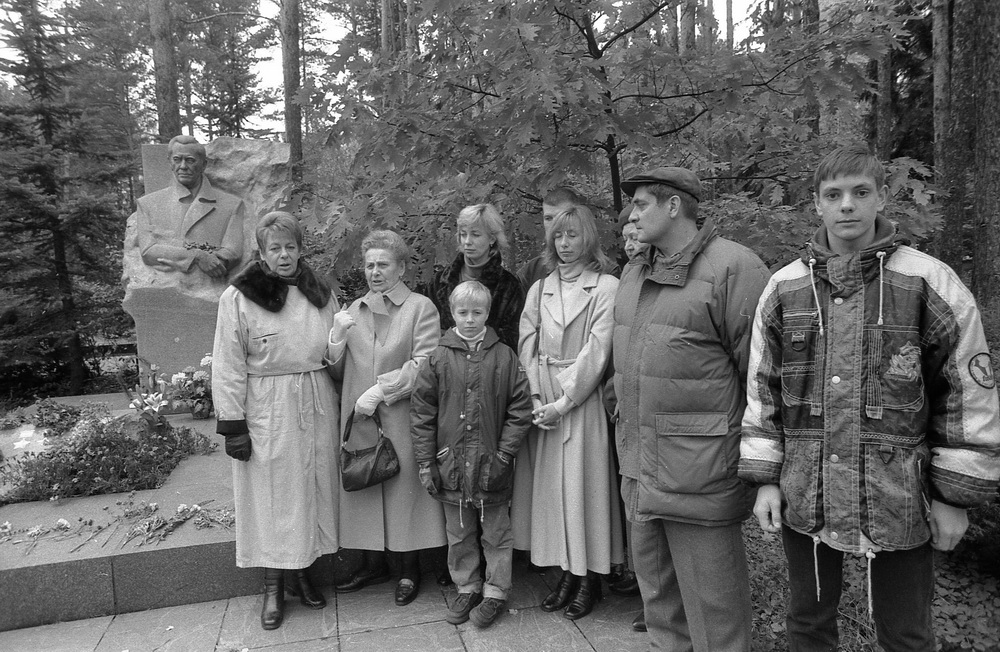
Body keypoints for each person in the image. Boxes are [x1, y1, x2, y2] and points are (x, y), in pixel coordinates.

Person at [739, 144, 1000, 652]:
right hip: (805, 487)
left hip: (900, 494)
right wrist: (764, 480)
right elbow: (762, 390)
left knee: (906, 634)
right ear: (815, 203)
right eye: (833, 195)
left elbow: (967, 395)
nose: (847, 206)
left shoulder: (928, 281)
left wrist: (954, 496)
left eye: (860, 192)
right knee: (808, 625)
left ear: (882, 197)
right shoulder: (785, 287)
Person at [614, 166, 769, 651]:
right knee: (660, 608)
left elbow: (764, 379)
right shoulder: (635, 272)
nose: (631, 215)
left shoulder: (734, 269)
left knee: (716, 618)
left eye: (641, 205)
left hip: (699, 475)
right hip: (638, 470)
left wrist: (763, 469)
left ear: (674, 205)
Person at [211, 211, 340, 630]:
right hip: (267, 404)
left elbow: (336, 348)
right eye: (275, 249)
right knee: (271, 496)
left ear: (301, 249)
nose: (284, 256)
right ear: (261, 254)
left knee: (309, 489)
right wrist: (234, 424)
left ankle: (302, 574)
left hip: (316, 398)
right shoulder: (239, 297)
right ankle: (272, 586)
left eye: (290, 247)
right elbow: (228, 364)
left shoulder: (319, 292)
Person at [328, 229, 446, 607]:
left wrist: (383, 389)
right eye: (369, 265)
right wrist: (335, 338)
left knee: (402, 490)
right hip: (361, 418)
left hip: (400, 415)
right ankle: (373, 563)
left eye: (383, 264)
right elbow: (335, 370)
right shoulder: (353, 311)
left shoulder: (420, 308)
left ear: (402, 267)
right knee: (366, 485)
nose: (374, 272)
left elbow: (427, 363)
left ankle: (409, 568)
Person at [519, 205, 624, 621]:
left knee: (585, 490)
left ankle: (589, 579)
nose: (564, 245)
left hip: (579, 403)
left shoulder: (606, 286)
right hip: (542, 400)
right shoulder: (539, 287)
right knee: (554, 494)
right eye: (558, 237)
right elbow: (526, 340)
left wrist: (563, 402)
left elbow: (598, 350)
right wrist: (533, 396)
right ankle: (565, 571)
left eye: (573, 236)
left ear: (589, 239)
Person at [410, 280, 534, 628]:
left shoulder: (504, 356)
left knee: (496, 532)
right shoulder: (438, 358)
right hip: (449, 464)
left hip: (491, 465)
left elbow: (520, 408)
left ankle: (496, 592)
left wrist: (504, 454)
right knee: (460, 531)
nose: (469, 319)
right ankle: (466, 586)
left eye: (476, 312)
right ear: (451, 313)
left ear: (487, 313)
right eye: (462, 312)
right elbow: (422, 414)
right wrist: (426, 462)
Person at [136, 135, 246, 277]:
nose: (183, 166)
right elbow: (148, 251)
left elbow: (233, 250)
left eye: (190, 160)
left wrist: (215, 262)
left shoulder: (231, 204)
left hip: (213, 285)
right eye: (177, 160)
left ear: (203, 165)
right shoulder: (148, 204)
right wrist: (196, 256)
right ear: (169, 162)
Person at [429, 204, 524, 352]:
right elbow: (428, 332)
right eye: (463, 234)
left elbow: (513, 339)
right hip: (443, 365)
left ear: (492, 238)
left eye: (475, 234)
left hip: (490, 368)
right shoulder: (439, 281)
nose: (467, 241)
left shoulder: (508, 286)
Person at [516, 187, 586, 294]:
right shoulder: (532, 271)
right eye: (548, 218)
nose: (554, 225)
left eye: (561, 217)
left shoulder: (605, 272)